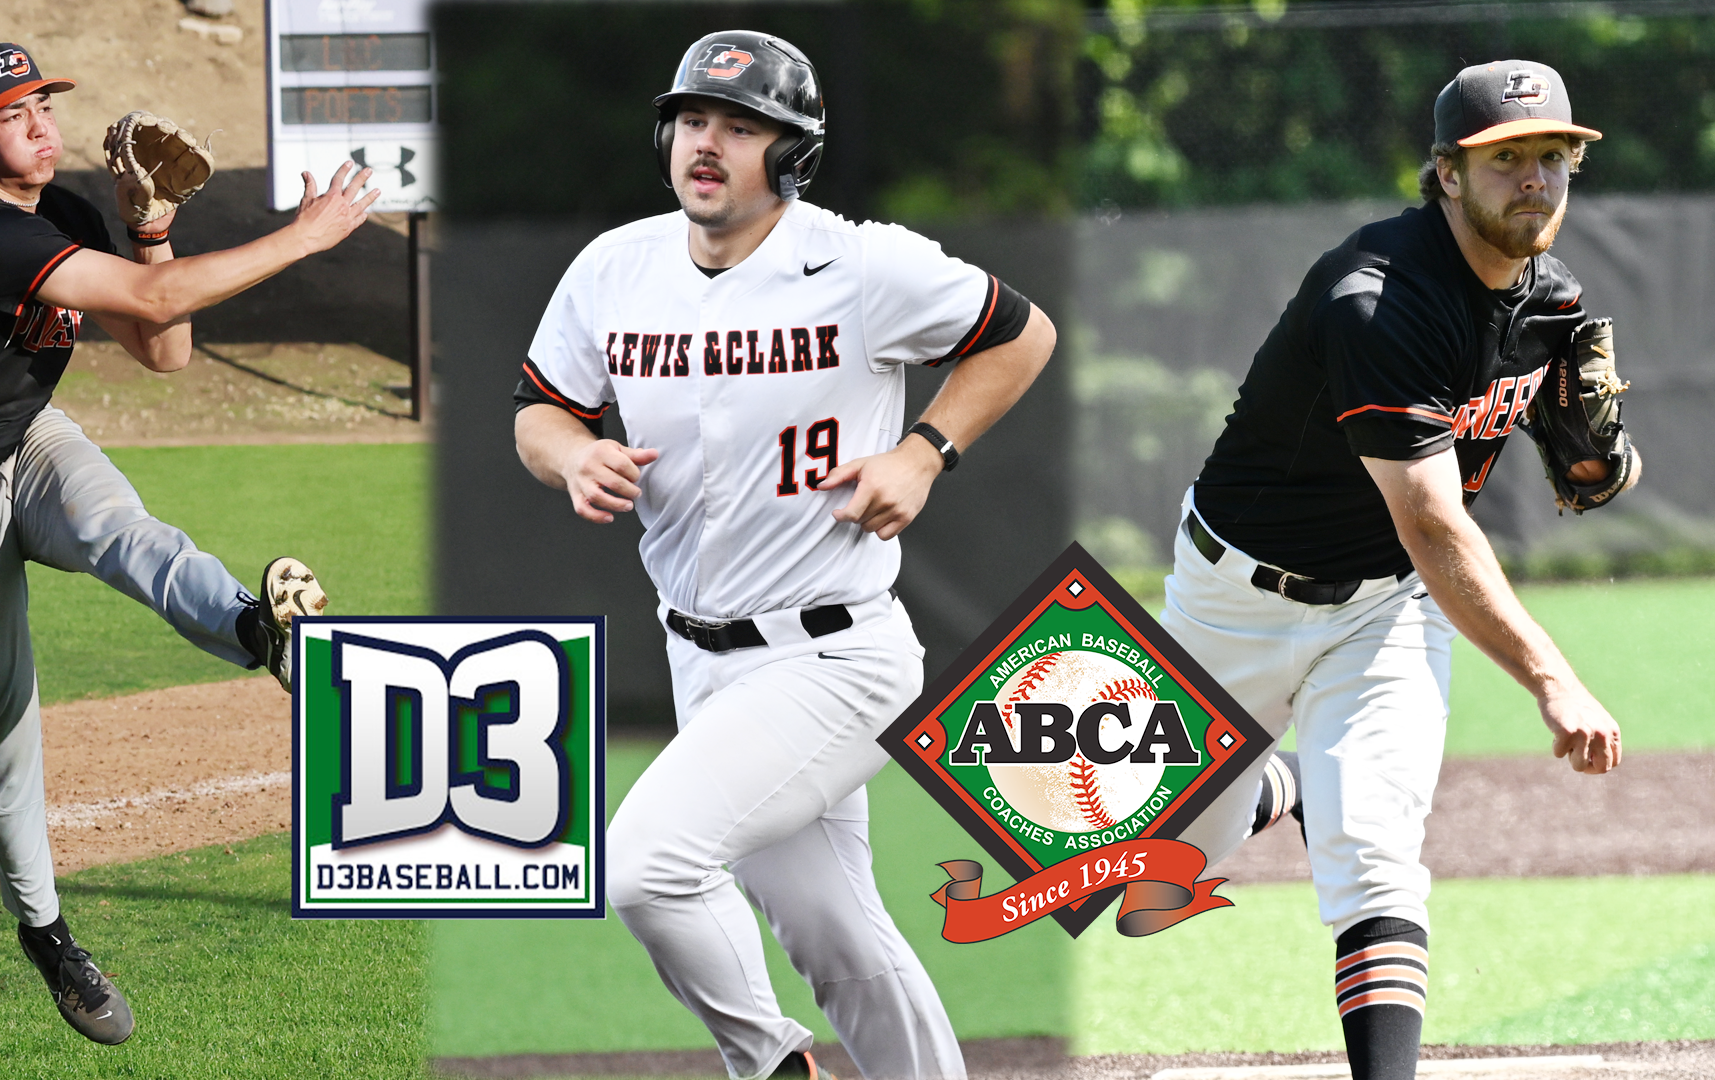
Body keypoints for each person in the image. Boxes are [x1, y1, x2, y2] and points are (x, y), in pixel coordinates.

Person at [513, 30, 1055, 1080]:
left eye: (741, 126)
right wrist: (573, 456)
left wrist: (925, 450)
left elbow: (1021, 335)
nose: (706, 144)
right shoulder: (615, 268)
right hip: (701, 660)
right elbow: (540, 411)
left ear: (792, 153)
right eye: (693, 119)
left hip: (837, 655)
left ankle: (770, 1065)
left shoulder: (858, 265)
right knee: (841, 942)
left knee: (647, 869)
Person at [0, 44, 374, 1045]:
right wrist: (303, 238)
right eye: (15, 116)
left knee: (121, 528)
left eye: (45, 104)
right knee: (3, 724)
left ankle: (256, 630)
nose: (42, 124)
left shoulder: (62, 215)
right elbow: (159, 309)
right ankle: (47, 933)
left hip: (27, 439)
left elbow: (164, 353)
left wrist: (149, 228)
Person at [1161, 60, 1629, 1080]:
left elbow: (1488, 502)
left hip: (1387, 610)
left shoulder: (1549, 302)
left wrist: (1587, 458)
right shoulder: (1372, 298)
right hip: (1234, 595)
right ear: (1446, 174)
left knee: (1374, 858)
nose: (1536, 180)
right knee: (1137, 872)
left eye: (1555, 156)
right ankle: (1271, 784)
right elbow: (1433, 523)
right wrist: (1552, 676)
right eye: (1506, 159)